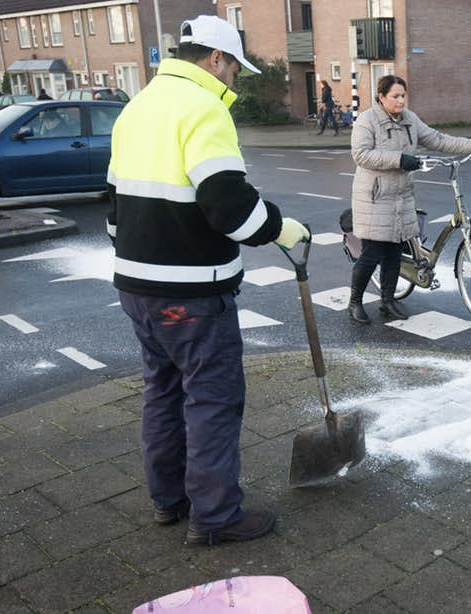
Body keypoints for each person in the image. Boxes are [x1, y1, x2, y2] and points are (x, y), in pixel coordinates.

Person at [106, 15, 309, 546]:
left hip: (136, 286)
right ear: (215, 60)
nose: (234, 82)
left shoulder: (137, 107)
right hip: (192, 292)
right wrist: (283, 228)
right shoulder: (204, 109)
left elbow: (113, 204)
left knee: (163, 391)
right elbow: (229, 208)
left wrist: (135, 255)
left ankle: (168, 500)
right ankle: (216, 515)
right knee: (212, 398)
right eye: (234, 70)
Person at [348, 74, 471, 324]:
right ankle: (355, 302)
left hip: (400, 196)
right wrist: (399, 159)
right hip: (374, 197)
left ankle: (387, 301)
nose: (401, 101)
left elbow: (436, 138)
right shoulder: (367, 121)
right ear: (381, 97)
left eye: (403, 96)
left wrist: (470, 145)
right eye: (395, 96)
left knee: (393, 252)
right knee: (372, 253)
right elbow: (361, 155)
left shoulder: (410, 119)